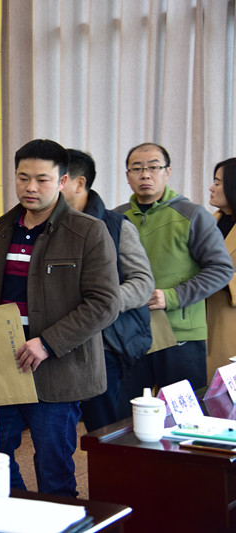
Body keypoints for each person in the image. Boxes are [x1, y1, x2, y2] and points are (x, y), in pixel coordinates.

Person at [0, 139, 120, 497]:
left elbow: (104, 303)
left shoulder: (87, 230)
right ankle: (20, 512)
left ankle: (58, 518)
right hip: (6, 364)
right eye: (23, 178)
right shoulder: (4, 226)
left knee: (54, 468)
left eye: (42, 179)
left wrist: (48, 343)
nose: (30, 187)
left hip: (58, 369)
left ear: (63, 181)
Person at [115, 143, 233, 402]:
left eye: (153, 167)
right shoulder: (116, 218)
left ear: (167, 172)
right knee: (128, 414)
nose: (145, 174)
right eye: (137, 168)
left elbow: (221, 269)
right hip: (128, 333)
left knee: (182, 415)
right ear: (127, 175)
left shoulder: (192, 214)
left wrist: (172, 297)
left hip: (180, 334)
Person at [62, 149, 154, 432]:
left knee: (105, 429)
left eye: (55, 178)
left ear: (79, 183)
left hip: (105, 344)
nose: (41, 186)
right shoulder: (44, 226)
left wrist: (100, 304)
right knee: (59, 426)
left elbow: (142, 282)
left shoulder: (116, 226)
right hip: (57, 343)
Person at [206, 158, 236, 381]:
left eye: (217, 183)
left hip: (228, 319)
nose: (211, 188)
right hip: (200, 317)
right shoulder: (208, 222)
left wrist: (222, 279)